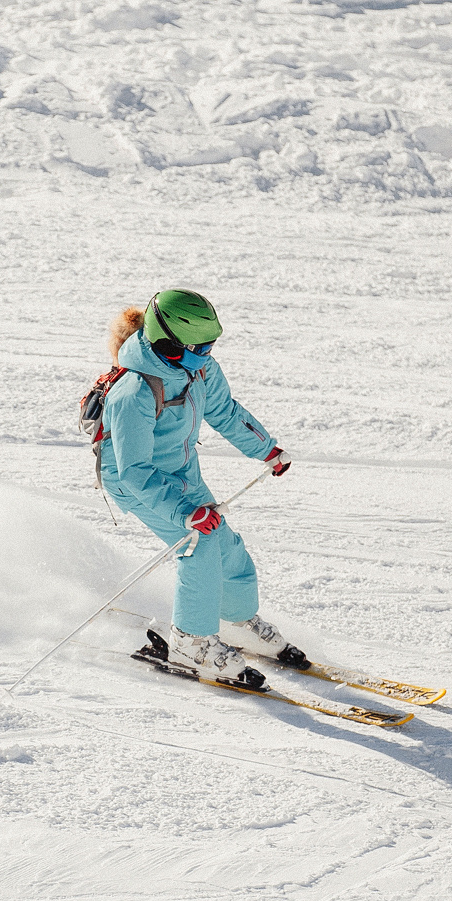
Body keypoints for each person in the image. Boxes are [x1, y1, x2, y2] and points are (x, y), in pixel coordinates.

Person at [100, 288, 299, 685]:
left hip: (180, 470)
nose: (203, 354)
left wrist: (266, 450)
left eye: (208, 345)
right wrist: (186, 512)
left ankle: (234, 620)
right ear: (164, 343)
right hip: (135, 481)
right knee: (198, 543)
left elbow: (224, 411)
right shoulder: (134, 391)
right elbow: (134, 471)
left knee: (224, 543)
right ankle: (191, 642)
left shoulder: (200, 368)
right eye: (193, 347)